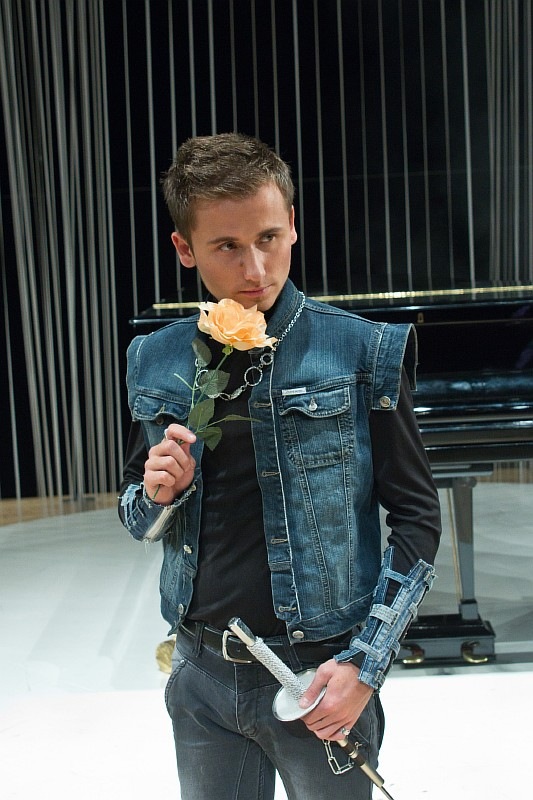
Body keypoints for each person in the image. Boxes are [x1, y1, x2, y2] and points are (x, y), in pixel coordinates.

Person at [118, 132, 441, 800]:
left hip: (320, 674)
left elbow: (415, 519)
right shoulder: (155, 358)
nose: (255, 268)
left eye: (268, 237)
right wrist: (158, 495)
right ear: (184, 248)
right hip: (201, 673)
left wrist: (364, 666)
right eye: (227, 246)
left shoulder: (362, 351)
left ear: (292, 223)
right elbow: (137, 515)